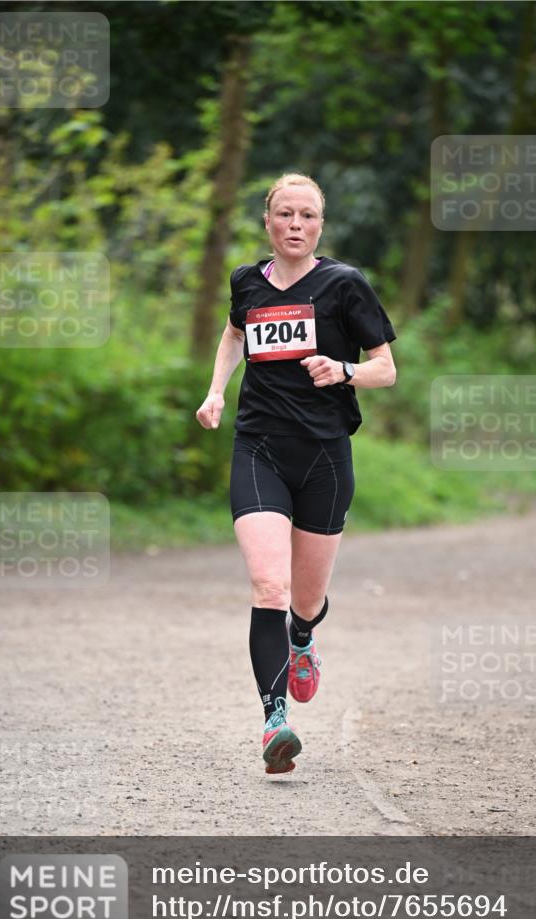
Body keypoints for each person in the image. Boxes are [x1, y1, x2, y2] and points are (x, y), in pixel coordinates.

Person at [196, 172, 396, 775]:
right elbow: (234, 335)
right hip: (258, 447)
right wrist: (215, 392)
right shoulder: (246, 283)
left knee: (303, 603)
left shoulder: (344, 284)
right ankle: (274, 723)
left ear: (320, 225)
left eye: (306, 216)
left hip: (324, 456)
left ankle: (304, 639)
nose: (295, 225)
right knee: (269, 588)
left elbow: (386, 368)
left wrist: (345, 370)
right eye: (284, 214)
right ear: (268, 220)